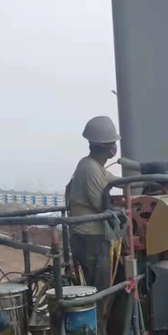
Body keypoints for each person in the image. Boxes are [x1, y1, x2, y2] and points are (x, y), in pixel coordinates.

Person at [65, 116, 120, 297]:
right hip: (90, 238)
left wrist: (149, 177)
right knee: (99, 289)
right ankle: (98, 316)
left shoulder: (93, 166)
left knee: (100, 285)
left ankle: (101, 313)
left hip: (88, 237)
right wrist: (121, 213)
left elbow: (118, 181)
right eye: (113, 143)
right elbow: (101, 205)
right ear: (109, 148)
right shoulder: (90, 168)